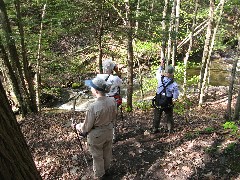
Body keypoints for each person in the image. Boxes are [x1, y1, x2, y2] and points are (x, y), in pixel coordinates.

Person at [72, 76, 117, 179]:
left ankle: (100, 175)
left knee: (97, 156)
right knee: (107, 152)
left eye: (91, 87)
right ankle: (107, 170)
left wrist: (77, 126)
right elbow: (114, 116)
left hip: (96, 135)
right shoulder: (112, 101)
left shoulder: (93, 107)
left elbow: (86, 127)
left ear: (96, 90)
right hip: (109, 130)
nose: (90, 89)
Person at [97, 59, 123, 142]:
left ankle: (104, 136)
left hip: (102, 100)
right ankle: (113, 136)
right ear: (112, 68)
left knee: (103, 118)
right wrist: (117, 71)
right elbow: (121, 83)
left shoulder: (98, 77)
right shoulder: (115, 78)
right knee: (112, 119)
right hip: (113, 101)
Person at [152, 59, 179, 134]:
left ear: (165, 72)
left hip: (158, 100)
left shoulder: (160, 78)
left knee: (157, 116)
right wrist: (174, 99)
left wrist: (161, 65)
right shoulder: (174, 84)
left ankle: (154, 129)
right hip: (167, 102)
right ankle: (170, 130)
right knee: (169, 116)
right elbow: (175, 96)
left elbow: (158, 72)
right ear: (172, 73)